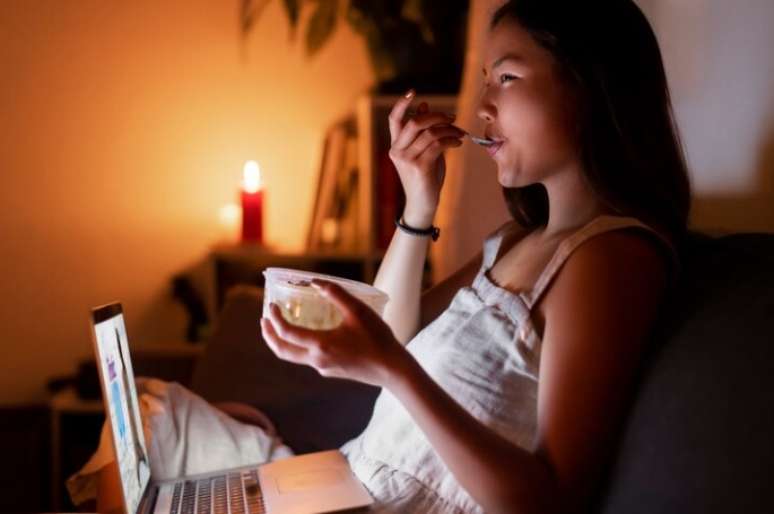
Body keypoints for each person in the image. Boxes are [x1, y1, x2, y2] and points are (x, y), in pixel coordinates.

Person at [260, 1, 691, 513]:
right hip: (348, 486)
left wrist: (396, 370)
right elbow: (395, 331)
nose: (482, 107)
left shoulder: (610, 258)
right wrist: (419, 201)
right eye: (486, 78)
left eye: (506, 77)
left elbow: (550, 501)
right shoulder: (515, 239)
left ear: (590, 88)